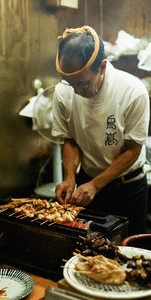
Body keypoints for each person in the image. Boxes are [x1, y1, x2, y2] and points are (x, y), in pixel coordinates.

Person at [51, 25, 150, 235]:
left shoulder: (132, 92)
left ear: (102, 67)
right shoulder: (63, 91)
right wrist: (70, 178)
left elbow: (133, 149)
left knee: (129, 254)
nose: (77, 91)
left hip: (128, 188)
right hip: (87, 183)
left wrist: (96, 185)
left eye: (83, 84)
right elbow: (69, 139)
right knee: (89, 252)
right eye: (71, 84)